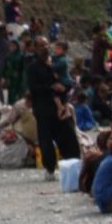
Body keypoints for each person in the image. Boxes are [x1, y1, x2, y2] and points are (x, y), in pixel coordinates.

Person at [27, 37, 79, 180]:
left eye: (46, 45)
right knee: (46, 141)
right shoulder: (33, 67)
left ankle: (72, 166)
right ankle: (50, 169)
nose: (44, 48)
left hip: (60, 109)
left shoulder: (57, 63)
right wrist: (50, 87)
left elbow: (67, 82)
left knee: (68, 137)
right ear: (35, 49)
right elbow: (33, 88)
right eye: (40, 46)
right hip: (44, 109)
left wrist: (64, 87)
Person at [1, 39, 25, 105]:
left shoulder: (21, 56)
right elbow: (4, 68)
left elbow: (24, 69)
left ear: (17, 46)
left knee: (18, 96)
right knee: (10, 96)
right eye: (10, 46)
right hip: (10, 79)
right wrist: (3, 78)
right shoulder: (8, 56)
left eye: (13, 46)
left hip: (19, 80)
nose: (11, 47)